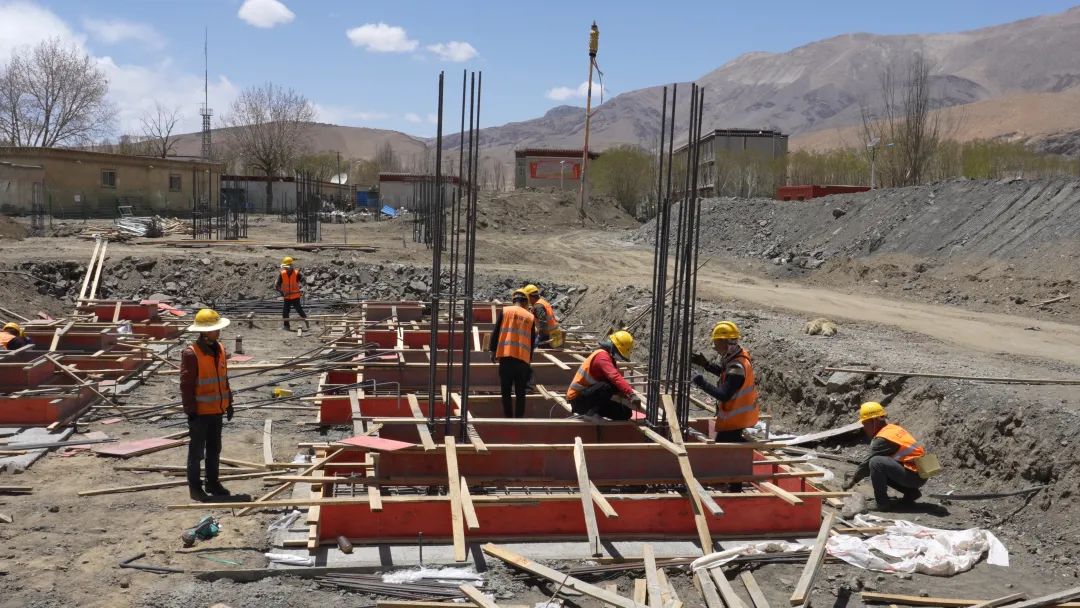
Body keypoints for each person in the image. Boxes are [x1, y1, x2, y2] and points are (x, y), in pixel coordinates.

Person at [180, 308, 235, 502]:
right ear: (204, 332)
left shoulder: (220, 349)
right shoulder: (191, 354)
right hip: (200, 413)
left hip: (217, 410)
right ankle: (195, 488)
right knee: (197, 452)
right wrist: (191, 411)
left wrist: (229, 402)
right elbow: (186, 385)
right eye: (214, 329)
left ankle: (212, 482)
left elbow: (223, 378)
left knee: (214, 449)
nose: (218, 332)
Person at [842, 401, 928, 509]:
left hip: (915, 476)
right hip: (920, 472)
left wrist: (853, 481)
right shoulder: (892, 428)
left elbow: (866, 465)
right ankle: (911, 493)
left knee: (876, 463)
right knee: (883, 465)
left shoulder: (882, 439)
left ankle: (882, 503)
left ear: (873, 421)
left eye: (865, 423)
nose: (864, 428)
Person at [690, 321, 759, 442]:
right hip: (737, 417)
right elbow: (726, 375)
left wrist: (700, 382)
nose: (714, 347)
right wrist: (707, 365)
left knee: (724, 446)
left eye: (716, 343)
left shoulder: (737, 366)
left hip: (735, 420)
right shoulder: (737, 356)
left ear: (724, 342)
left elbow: (723, 395)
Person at [566, 330, 643, 420]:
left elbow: (616, 385)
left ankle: (594, 411)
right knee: (606, 386)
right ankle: (590, 414)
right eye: (619, 353)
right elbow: (614, 376)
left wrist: (626, 398)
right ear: (614, 347)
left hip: (592, 399)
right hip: (578, 400)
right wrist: (631, 394)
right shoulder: (601, 356)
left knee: (625, 413)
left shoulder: (609, 358)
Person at [488, 290, 536, 418]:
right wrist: (529, 360)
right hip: (522, 360)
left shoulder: (505, 311)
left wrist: (492, 351)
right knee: (521, 393)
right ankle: (519, 419)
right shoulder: (530, 317)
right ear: (525, 302)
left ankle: (508, 418)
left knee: (506, 392)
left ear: (514, 300)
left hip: (506, 357)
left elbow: (496, 332)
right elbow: (532, 341)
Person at [275, 256, 309, 331]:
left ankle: (307, 323)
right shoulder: (282, 274)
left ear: (290, 266)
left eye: (286, 267)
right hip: (287, 297)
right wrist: (281, 292)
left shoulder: (296, 273)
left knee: (299, 310)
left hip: (295, 296)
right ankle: (286, 326)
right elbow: (277, 285)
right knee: (285, 312)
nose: (285, 268)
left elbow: (303, 281)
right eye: (285, 267)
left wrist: (303, 289)